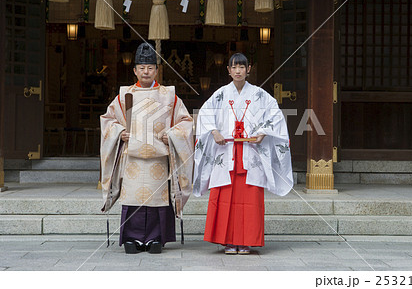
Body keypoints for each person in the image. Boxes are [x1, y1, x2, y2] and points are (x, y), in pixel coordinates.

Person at [193, 53, 293, 255]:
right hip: (226, 152)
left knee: (250, 199)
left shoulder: (260, 95)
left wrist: (263, 132)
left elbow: (275, 115)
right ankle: (228, 241)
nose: (238, 71)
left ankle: (246, 241)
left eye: (242, 67)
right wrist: (214, 132)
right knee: (225, 197)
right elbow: (205, 114)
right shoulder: (221, 94)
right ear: (228, 70)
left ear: (249, 69)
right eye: (234, 67)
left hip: (251, 153)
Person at [100, 43, 193, 254]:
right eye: (141, 68)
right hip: (132, 157)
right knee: (133, 198)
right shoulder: (124, 96)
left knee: (157, 199)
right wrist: (118, 132)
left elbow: (185, 122)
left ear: (157, 70)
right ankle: (131, 237)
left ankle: (155, 238)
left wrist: (172, 135)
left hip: (158, 157)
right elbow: (108, 120)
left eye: (150, 67)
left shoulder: (169, 96)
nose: (146, 72)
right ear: (134, 70)